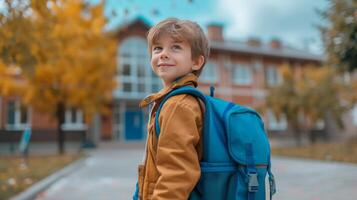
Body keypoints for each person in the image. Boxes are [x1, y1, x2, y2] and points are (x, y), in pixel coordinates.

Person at [133, 18, 210, 200]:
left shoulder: (178, 105)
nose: (163, 54)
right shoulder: (169, 100)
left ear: (196, 62)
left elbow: (176, 175)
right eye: (158, 48)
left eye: (175, 47)